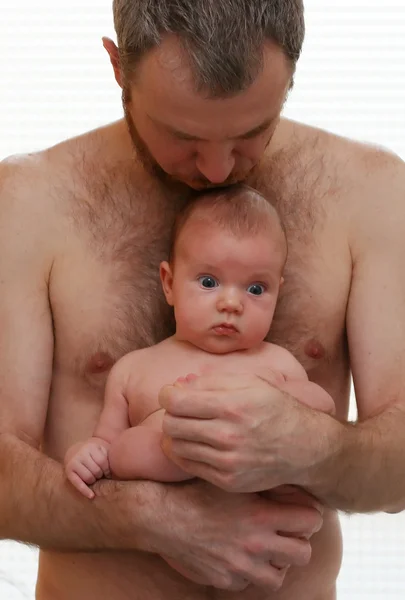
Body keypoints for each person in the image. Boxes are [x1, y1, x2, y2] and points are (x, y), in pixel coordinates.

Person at [0, 1, 404, 599]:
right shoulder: (28, 204)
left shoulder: (373, 192)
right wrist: (149, 519)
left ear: (292, 76)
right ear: (117, 68)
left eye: (252, 132)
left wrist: (314, 448)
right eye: (182, 135)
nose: (217, 170)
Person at [64, 185, 334, 500]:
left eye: (257, 289)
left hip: (260, 507)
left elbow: (322, 414)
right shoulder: (134, 369)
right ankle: (183, 451)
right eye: (209, 282)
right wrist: (82, 454)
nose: (231, 303)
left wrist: (276, 397)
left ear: (279, 291)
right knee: (125, 451)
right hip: (164, 516)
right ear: (169, 283)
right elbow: (105, 446)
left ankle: (190, 448)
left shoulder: (278, 364)